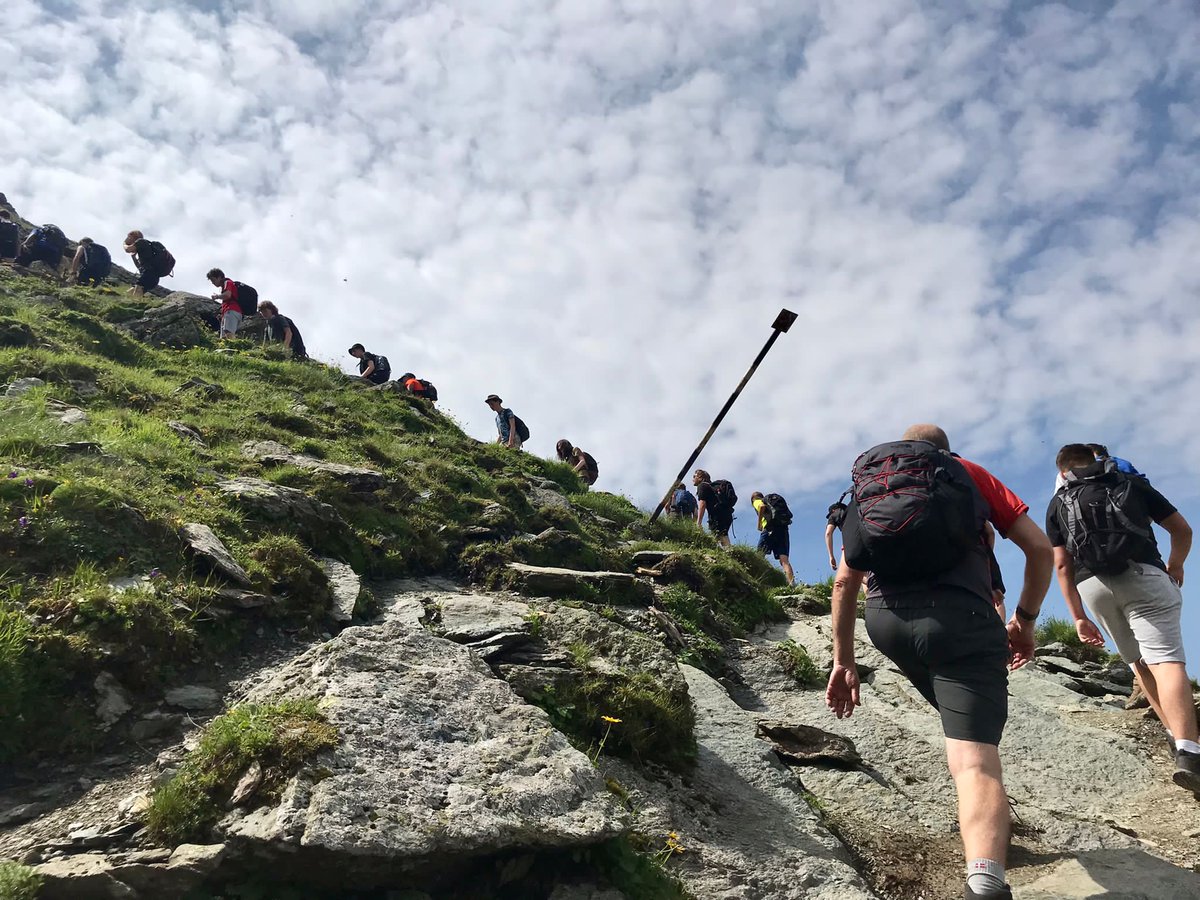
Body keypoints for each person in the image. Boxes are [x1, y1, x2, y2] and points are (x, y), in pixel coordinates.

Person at [825, 424, 1053, 900]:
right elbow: (1038, 548)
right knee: (975, 762)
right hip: (960, 618)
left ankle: (986, 821)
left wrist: (842, 660)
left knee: (960, 723)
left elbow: (846, 581)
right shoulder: (965, 472)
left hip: (886, 623)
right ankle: (986, 881)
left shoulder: (874, 482)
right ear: (946, 454)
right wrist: (1025, 621)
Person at [1047, 443, 1198, 794]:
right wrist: (1175, 564)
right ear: (1097, 461)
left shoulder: (1058, 503)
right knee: (1166, 660)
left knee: (1138, 663)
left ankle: (1176, 738)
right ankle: (1190, 752)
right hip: (1142, 574)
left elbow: (1061, 565)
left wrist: (1078, 617)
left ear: (1062, 471)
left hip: (1092, 587)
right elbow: (1183, 530)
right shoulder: (1128, 483)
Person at [751, 491, 795, 586]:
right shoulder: (773, 503)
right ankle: (792, 584)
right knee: (784, 560)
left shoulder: (757, 501)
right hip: (783, 529)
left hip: (770, 529)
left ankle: (756, 580)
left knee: (759, 555)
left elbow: (761, 507)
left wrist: (759, 524)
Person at [124, 230, 174, 297]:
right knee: (128, 294)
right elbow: (140, 268)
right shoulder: (146, 250)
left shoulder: (141, 241)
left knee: (137, 292)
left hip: (149, 275)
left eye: (128, 237)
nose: (127, 239)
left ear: (132, 236)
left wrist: (124, 243)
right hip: (153, 277)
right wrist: (134, 257)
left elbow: (127, 249)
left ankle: (136, 304)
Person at [694, 469, 735, 548]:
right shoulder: (712, 487)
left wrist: (698, 522)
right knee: (719, 536)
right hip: (727, 514)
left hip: (717, 515)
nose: (693, 479)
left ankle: (731, 554)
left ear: (700, 477)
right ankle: (724, 554)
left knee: (722, 537)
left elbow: (702, 504)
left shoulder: (702, 486)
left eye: (694, 476)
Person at [206, 268, 243, 339]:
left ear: (219, 277)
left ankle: (231, 348)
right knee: (224, 337)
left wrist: (217, 296)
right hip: (230, 311)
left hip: (231, 310)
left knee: (228, 333)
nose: (213, 283)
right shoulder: (225, 285)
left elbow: (227, 295)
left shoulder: (227, 282)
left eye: (213, 280)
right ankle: (226, 349)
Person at [825, 491, 850, 570]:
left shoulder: (834, 514)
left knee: (847, 572)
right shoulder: (853, 510)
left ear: (833, 511)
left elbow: (828, 533)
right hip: (869, 537)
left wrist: (831, 556)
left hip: (851, 542)